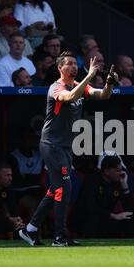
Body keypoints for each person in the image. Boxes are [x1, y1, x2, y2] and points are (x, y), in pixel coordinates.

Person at [19, 51, 119, 246]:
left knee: (56, 188)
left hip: (65, 146)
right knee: (65, 188)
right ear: (60, 68)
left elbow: (103, 95)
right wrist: (89, 76)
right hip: (51, 145)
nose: (73, 67)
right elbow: (71, 98)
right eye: (69, 64)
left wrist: (109, 83)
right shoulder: (56, 88)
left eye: (75, 64)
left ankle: (30, 229)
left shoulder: (78, 86)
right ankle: (59, 237)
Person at [76, 156, 134, 238]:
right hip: (88, 219)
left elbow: (130, 208)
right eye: (118, 171)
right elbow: (90, 206)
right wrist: (113, 216)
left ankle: (132, 246)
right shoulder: (91, 181)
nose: (121, 173)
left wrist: (125, 186)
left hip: (107, 218)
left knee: (133, 217)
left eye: (121, 170)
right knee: (93, 218)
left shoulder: (118, 181)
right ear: (107, 171)